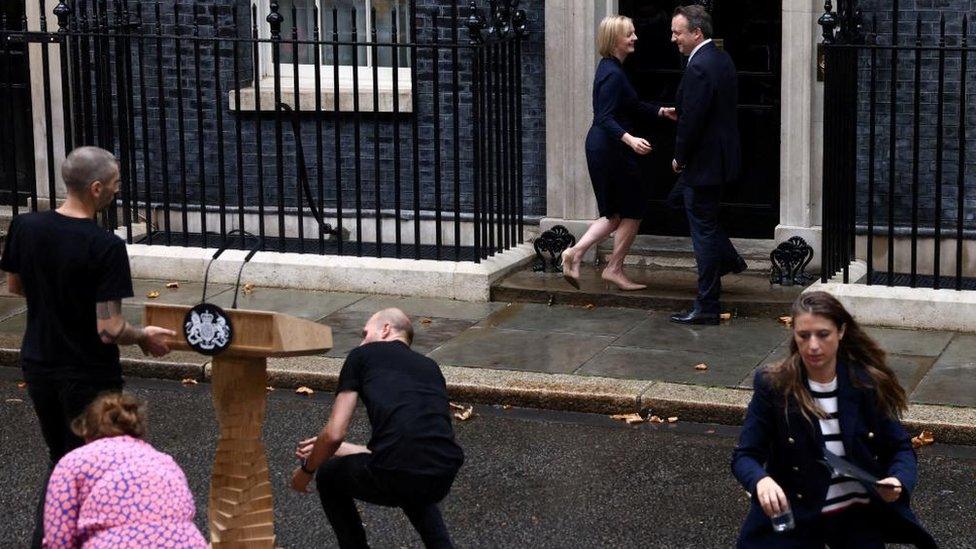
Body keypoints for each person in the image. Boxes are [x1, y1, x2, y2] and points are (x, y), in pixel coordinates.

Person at [0, 146, 175, 547]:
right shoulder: (105, 246)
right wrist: (144, 335)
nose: (116, 192)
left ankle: (51, 540)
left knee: (61, 458)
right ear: (96, 188)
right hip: (89, 374)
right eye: (114, 187)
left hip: (39, 365)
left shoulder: (26, 228)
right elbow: (109, 328)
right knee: (102, 466)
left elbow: (15, 286)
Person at [731, 291, 936, 548]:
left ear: (840, 331)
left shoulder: (865, 384)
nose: (813, 345)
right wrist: (761, 480)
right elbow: (745, 456)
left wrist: (897, 480)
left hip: (857, 522)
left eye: (823, 334)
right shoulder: (775, 386)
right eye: (804, 336)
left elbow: (901, 448)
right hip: (798, 520)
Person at [290, 308, 464, 548]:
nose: (362, 341)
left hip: (399, 470)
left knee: (329, 473)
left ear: (385, 330)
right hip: (443, 473)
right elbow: (413, 442)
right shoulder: (430, 367)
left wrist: (306, 472)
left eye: (365, 333)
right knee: (411, 475)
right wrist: (345, 449)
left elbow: (333, 433)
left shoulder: (361, 356)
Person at [560, 14, 677, 291]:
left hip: (606, 147)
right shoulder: (612, 73)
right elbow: (604, 117)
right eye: (629, 34)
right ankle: (610, 267)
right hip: (610, 148)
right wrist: (631, 139)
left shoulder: (612, 69)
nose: (635, 37)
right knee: (632, 209)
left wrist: (660, 111)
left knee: (614, 213)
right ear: (615, 40)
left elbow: (632, 106)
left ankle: (576, 253)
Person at [43, 392, 208, 548]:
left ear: (87, 431)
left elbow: (59, 537)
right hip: (184, 542)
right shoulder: (164, 461)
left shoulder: (73, 462)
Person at [667, 5, 746, 324]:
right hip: (718, 159)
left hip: (703, 163)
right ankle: (729, 258)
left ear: (696, 33)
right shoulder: (719, 57)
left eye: (678, 32)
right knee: (682, 207)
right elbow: (706, 107)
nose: (673, 38)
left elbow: (694, 121)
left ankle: (708, 304)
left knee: (702, 231)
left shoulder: (698, 66)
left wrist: (679, 157)